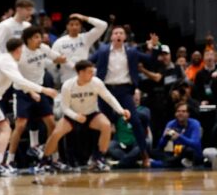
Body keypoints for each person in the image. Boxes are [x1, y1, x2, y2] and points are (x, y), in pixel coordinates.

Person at [0, 38, 58, 175]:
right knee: (5, 129)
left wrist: (32, 92)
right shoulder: (7, 62)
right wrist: (44, 90)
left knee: (3, 126)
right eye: (23, 50)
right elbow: (20, 80)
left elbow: (18, 82)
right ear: (18, 50)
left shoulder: (5, 59)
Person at [38, 60, 130, 173]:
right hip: (72, 116)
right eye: (89, 72)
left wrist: (121, 110)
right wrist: (76, 116)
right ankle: (44, 162)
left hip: (91, 114)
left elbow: (109, 97)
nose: (92, 74)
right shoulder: (68, 85)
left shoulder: (96, 82)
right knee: (56, 133)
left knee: (106, 125)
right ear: (80, 72)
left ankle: (98, 159)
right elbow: (64, 108)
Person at [90, 26, 157, 167]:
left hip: (124, 90)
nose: (118, 35)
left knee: (135, 121)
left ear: (125, 37)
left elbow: (150, 60)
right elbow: (88, 61)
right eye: (115, 33)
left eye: (121, 33)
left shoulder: (132, 51)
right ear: (111, 37)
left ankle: (145, 155)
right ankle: (96, 157)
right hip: (106, 90)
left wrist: (154, 47)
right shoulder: (102, 51)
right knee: (102, 123)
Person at [7, 26, 67, 168]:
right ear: (28, 40)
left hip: (40, 90)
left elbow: (58, 59)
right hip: (23, 91)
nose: (40, 39)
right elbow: (17, 78)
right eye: (36, 37)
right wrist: (31, 92)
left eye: (40, 36)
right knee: (20, 126)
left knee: (52, 124)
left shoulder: (43, 48)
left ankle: (54, 159)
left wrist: (64, 57)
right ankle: (9, 160)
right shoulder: (21, 53)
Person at [51, 13, 108, 84]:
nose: (74, 27)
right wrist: (57, 60)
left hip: (85, 78)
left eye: (77, 24)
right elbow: (52, 59)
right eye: (71, 25)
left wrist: (84, 17)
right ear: (67, 26)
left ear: (80, 26)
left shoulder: (86, 38)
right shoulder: (59, 42)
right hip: (67, 79)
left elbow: (103, 25)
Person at [153, 103, 202, 168]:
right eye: (178, 111)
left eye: (183, 111)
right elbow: (160, 147)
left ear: (188, 114)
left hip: (191, 154)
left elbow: (195, 144)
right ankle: (175, 162)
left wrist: (179, 136)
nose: (180, 113)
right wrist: (165, 137)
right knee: (154, 152)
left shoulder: (194, 123)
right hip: (177, 153)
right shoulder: (171, 124)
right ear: (175, 113)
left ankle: (154, 163)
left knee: (188, 151)